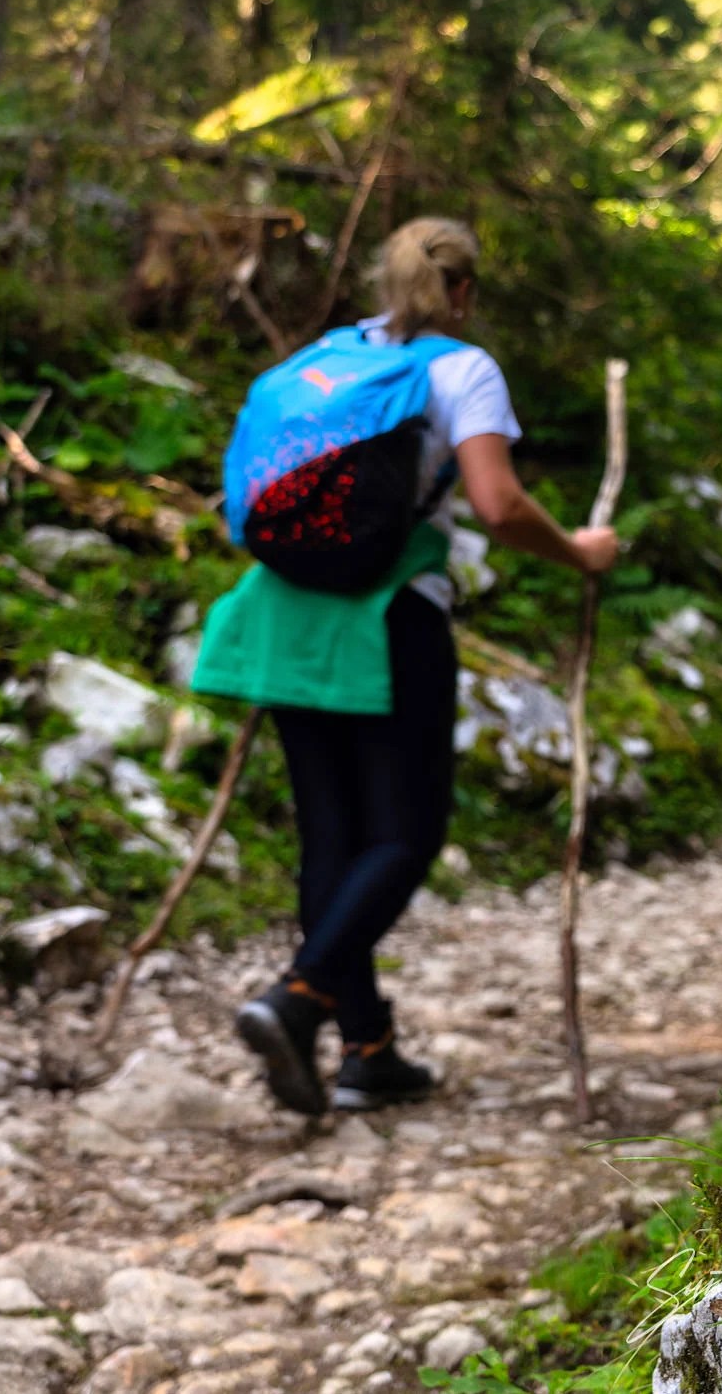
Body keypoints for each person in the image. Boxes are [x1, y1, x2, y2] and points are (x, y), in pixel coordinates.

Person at [193, 216, 619, 1114]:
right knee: (407, 831)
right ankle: (298, 996)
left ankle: (367, 1048)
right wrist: (581, 553)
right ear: (462, 291)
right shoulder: (461, 369)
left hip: (285, 613)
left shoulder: (327, 358)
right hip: (389, 613)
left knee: (331, 837)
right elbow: (498, 505)